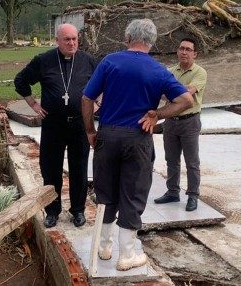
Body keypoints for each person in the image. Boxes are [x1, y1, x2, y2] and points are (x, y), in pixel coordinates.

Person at [81, 19, 194, 271]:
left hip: (108, 135)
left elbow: (87, 97)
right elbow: (186, 100)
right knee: (132, 195)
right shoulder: (159, 70)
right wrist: (158, 114)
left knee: (105, 192)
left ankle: (104, 248)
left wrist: (90, 130)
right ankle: (127, 255)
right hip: (138, 138)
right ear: (151, 42)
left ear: (127, 37)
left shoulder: (110, 61)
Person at [14, 23, 97, 228]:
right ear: (57, 40)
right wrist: (33, 103)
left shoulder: (88, 61)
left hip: (79, 124)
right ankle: (52, 210)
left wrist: (98, 102)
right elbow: (20, 81)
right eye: (67, 39)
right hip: (53, 124)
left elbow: (104, 83)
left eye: (74, 39)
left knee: (79, 168)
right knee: (50, 169)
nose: (71, 43)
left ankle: (78, 210)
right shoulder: (43, 61)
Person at [154, 37, 207, 211]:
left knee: (192, 161)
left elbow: (188, 93)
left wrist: (171, 92)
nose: (184, 52)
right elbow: (162, 92)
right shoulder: (170, 71)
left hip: (189, 121)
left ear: (195, 54)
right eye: (181, 48)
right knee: (171, 159)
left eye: (188, 49)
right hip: (170, 121)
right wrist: (173, 93)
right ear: (177, 51)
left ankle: (193, 195)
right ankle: (172, 192)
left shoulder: (200, 72)